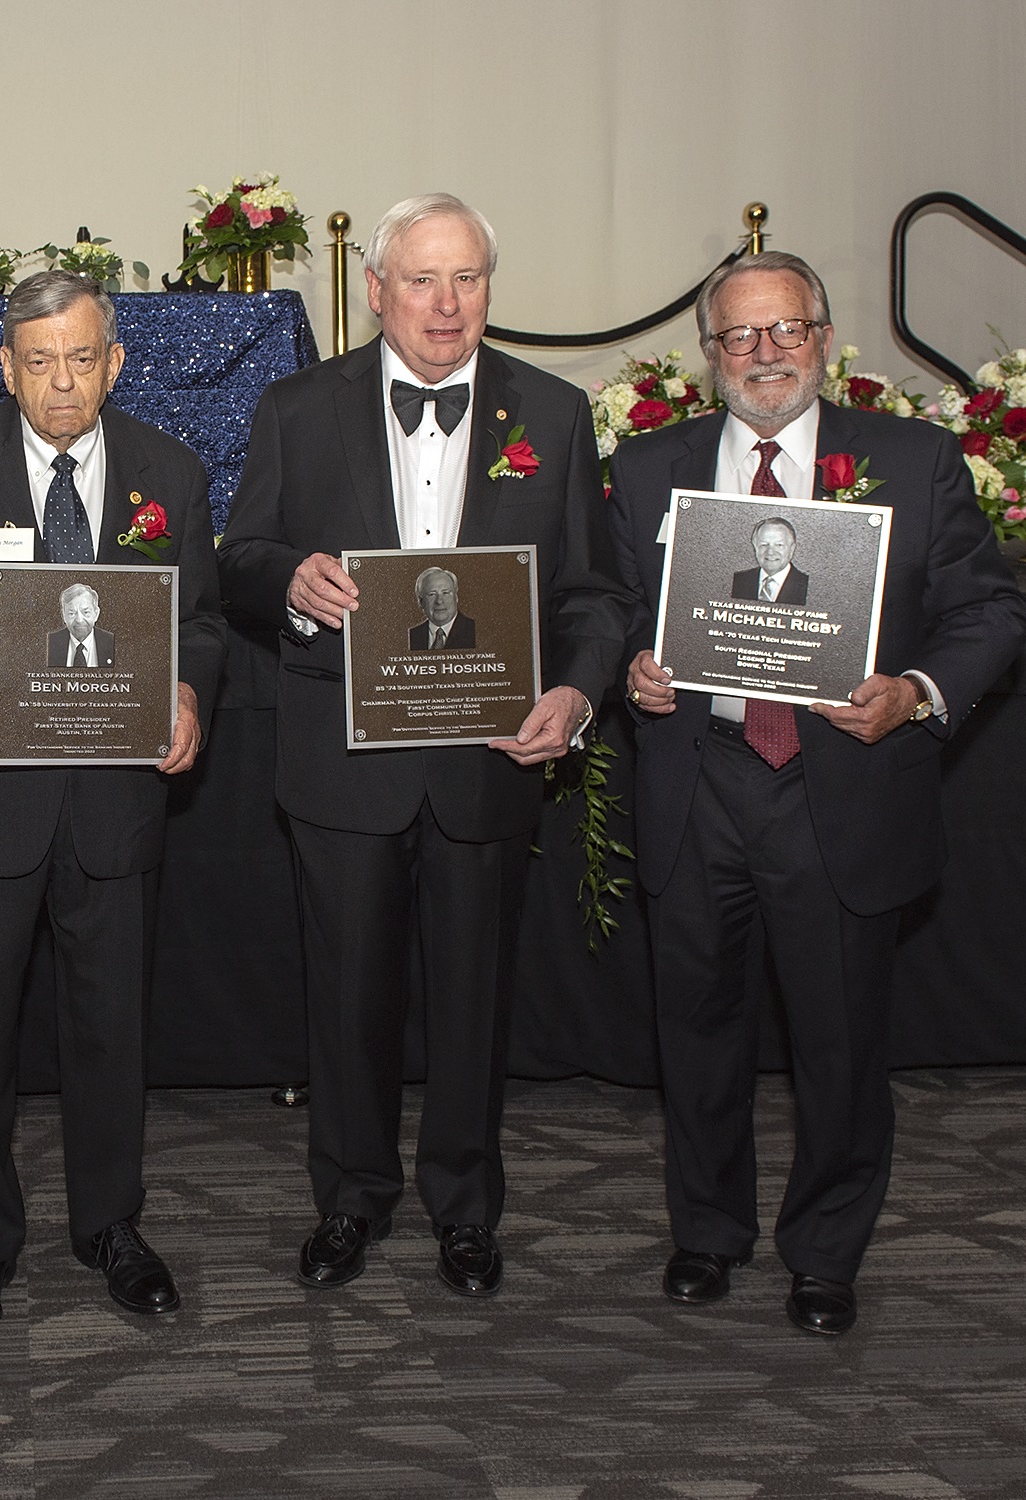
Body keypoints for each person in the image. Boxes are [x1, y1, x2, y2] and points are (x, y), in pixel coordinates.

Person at [218, 193, 629, 1299]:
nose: (446, 306)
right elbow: (241, 554)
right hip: (343, 764)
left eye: (468, 281)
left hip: (489, 764)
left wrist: (577, 696)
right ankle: (350, 1199)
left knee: (474, 1001)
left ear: (490, 288)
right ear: (379, 290)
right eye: (422, 280)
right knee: (345, 1000)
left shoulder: (553, 411)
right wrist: (291, 585)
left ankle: (465, 1209)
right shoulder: (298, 406)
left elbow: (593, 594)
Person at [612, 251, 1026, 1336]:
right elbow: (605, 605)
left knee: (840, 1045)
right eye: (739, 336)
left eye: (785, 330)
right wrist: (630, 670)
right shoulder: (649, 466)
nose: (764, 353)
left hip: (838, 790)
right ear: (709, 357)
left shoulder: (912, 459)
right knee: (696, 1034)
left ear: (825, 339)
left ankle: (826, 1253)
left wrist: (917, 692)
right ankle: (706, 1234)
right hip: (697, 783)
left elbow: (989, 614)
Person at [0, 270, 225, 1340]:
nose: (61, 383)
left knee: (111, 1031)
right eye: (39, 361)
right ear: (4, 363)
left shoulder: (174, 471)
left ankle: (111, 1227)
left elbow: (199, 619)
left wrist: (191, 690)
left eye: (81, 359)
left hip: (116, 804)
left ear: (115, 362)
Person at [730, 517, 809, 603]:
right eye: (764, 545)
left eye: (779, 545)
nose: (770, 552)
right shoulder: (738, 582)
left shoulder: (807, 586)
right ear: (755, 547)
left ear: (792, 549)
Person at [46, 581, 116, 666]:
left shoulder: (112, 643)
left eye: (86, 612)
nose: (79, 620)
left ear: (96, 614)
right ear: (64, 615)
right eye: (72, 613)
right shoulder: (49, 643)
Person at [406, 566, 476, 650]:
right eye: (432, 594)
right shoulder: (411, 636)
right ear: (420, 602)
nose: (439, 601)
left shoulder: (474, 631)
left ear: (456, 597)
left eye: (445, 593)